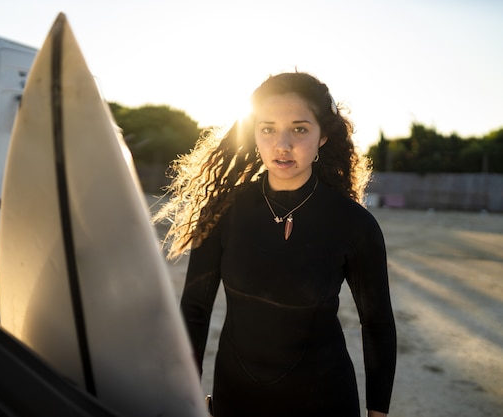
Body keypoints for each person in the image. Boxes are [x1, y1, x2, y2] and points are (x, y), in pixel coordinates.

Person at [153, 71, 396, 417]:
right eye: (267, 128)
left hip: (325, 400)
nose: (282, 145)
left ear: (323, 136)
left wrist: (378, 413)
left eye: (299, 129)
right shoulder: (224, 213)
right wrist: (185, 395)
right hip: (235, 399)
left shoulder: (354, 224)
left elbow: (377, 323)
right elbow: (194, 309)